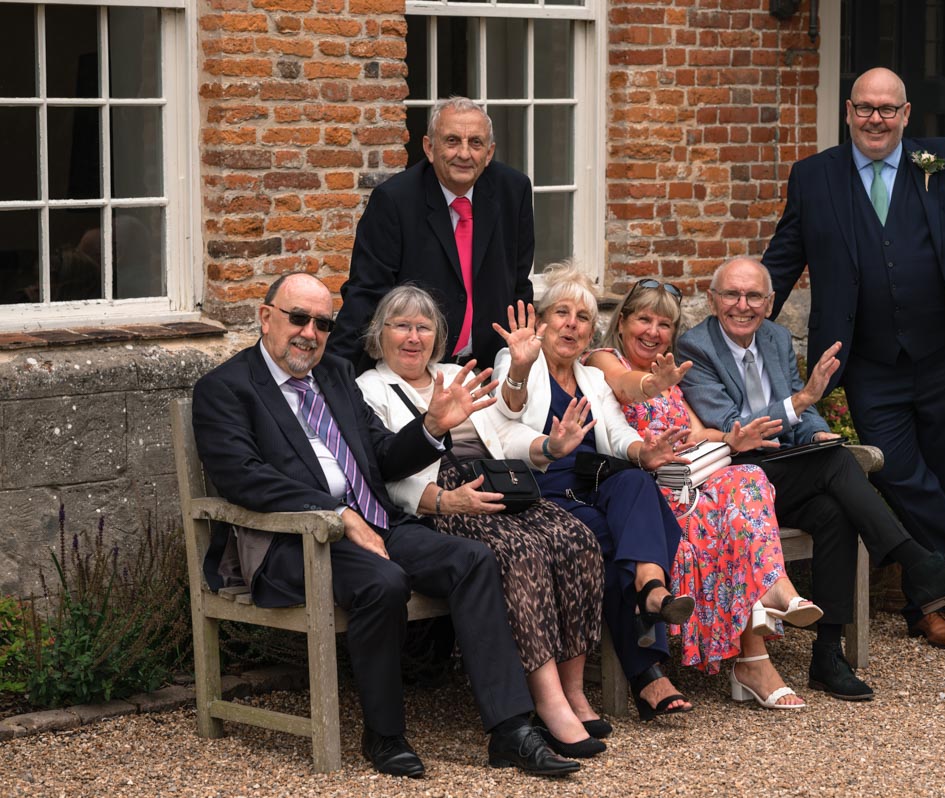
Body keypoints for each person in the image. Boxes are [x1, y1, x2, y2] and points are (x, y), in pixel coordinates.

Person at [191, 272, 578, 778]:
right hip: (292, 540)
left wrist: (433, 426)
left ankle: (510, 729)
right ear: (266, 318)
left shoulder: (333, 376)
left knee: (473, 560)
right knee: (384, 581)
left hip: (377, 525)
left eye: (323, 323)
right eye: (299, 318)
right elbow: (242, 478)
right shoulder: (226, 388)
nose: (310, 332)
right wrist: (339, 515)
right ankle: (385, 734)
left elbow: (381, 457)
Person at [760, 59, 945, 650]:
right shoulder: (814, 177)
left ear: (907, 114)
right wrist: (739, 320)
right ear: (848, 112)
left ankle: (924, 607)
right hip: (868, 363)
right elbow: (782, 260)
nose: (876, 118)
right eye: (865, 107)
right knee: (905, 475)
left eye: (888, 108)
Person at [678, 257, 945, 701]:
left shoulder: (775, 338)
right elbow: (734, 427)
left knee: (834, 510)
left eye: (754, 296)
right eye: (732, 295)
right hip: (734, 484)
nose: (743, 305)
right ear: (712, 298)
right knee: (837, 465)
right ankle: (922, 565)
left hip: (786, 474)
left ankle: (828, 653)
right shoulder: (695, 347)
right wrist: (801, 402)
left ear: (771, 301)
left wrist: (814, 427)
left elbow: (802, 411)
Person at [355, 284, 609, 757]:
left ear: (438, 335)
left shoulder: (454, 373)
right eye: (401, 326)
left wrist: (548, 447)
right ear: (380, 334)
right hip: (441, 498)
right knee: (520, 553)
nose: (413, 337)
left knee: (577, 539)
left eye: (423, 327)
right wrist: (441, 500)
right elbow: (379, 474)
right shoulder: (369, 390)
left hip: (497, 481)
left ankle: (574, 689)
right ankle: (547, 700)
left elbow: (506, 424)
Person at [584, 278, 822, 710]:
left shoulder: (670, 377)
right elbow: (624, 386)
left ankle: (775, 594)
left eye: (664, 324)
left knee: (747, 476)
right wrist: (654, 385)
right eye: (644, 319)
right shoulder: (602, 360)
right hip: (649, 497)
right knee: (733, 523)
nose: (653, 332)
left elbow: (700, 433)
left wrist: (737, 436)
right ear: (622, 323)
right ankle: (755, 654)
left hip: (695, 486)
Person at [491, 266, 699, 722]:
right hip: (540, 494)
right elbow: (509, 407)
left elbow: (619, 433)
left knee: (636, 480)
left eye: (583, 317)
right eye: (561, 313)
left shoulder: (590, 377)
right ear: (541, 323)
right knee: (611, 541)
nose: (572, 324)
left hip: (589, 485)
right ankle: (647, 666)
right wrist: (523, 372)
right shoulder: (518, 361)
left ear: (591, 332)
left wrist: (648, 449)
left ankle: (651, 586)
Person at [328, 96, 534, 372]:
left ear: (489, 153)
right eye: (452, 141)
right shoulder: (394, 201)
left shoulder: (514, 191)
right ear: (429, 147)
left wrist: (518, 364)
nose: (464, 153)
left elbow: (519, 285)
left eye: (475, 143)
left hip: (490, 367)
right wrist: (333, 377)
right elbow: (366, 295)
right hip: (416, 368)